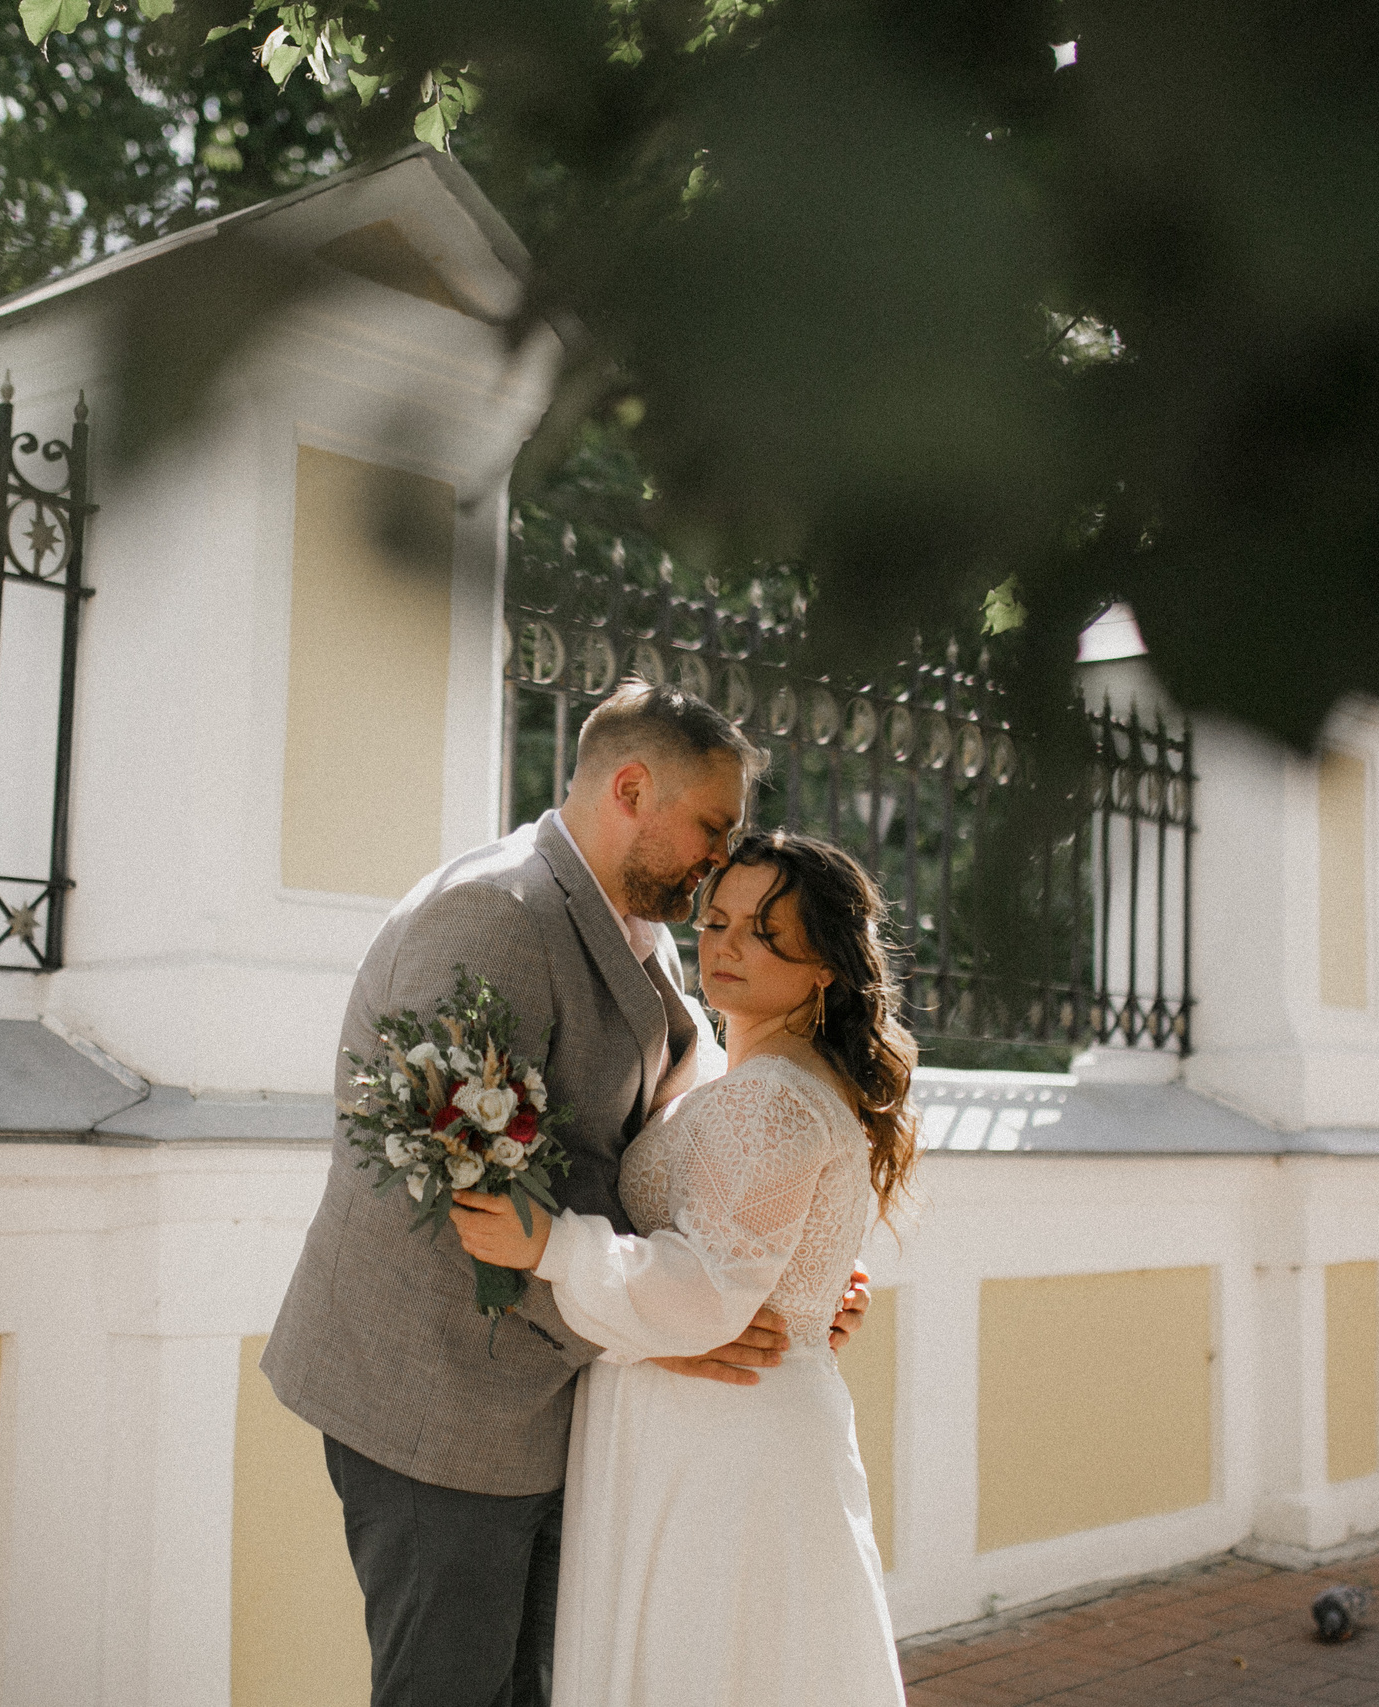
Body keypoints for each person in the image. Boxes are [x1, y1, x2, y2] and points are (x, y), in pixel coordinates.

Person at [262, 681, 869, 1707]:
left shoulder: (644, 929)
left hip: (550, 1401)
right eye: (712, 826)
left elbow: (665, 1150)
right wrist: (665, 1327)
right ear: (632, 790)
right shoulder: (494, 915)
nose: (720, 856)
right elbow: (446, 1197)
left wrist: (775, 1272)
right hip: (439, 1404)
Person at [452, 827, 916, 1707]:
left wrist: (549, 1245)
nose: (727, 945)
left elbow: (705, 1291)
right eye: (719, 920)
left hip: (723, 1441)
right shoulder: (752, 1074)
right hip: (712, 1426)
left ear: (825, 967)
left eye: (765, 932)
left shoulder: (772, 1097)